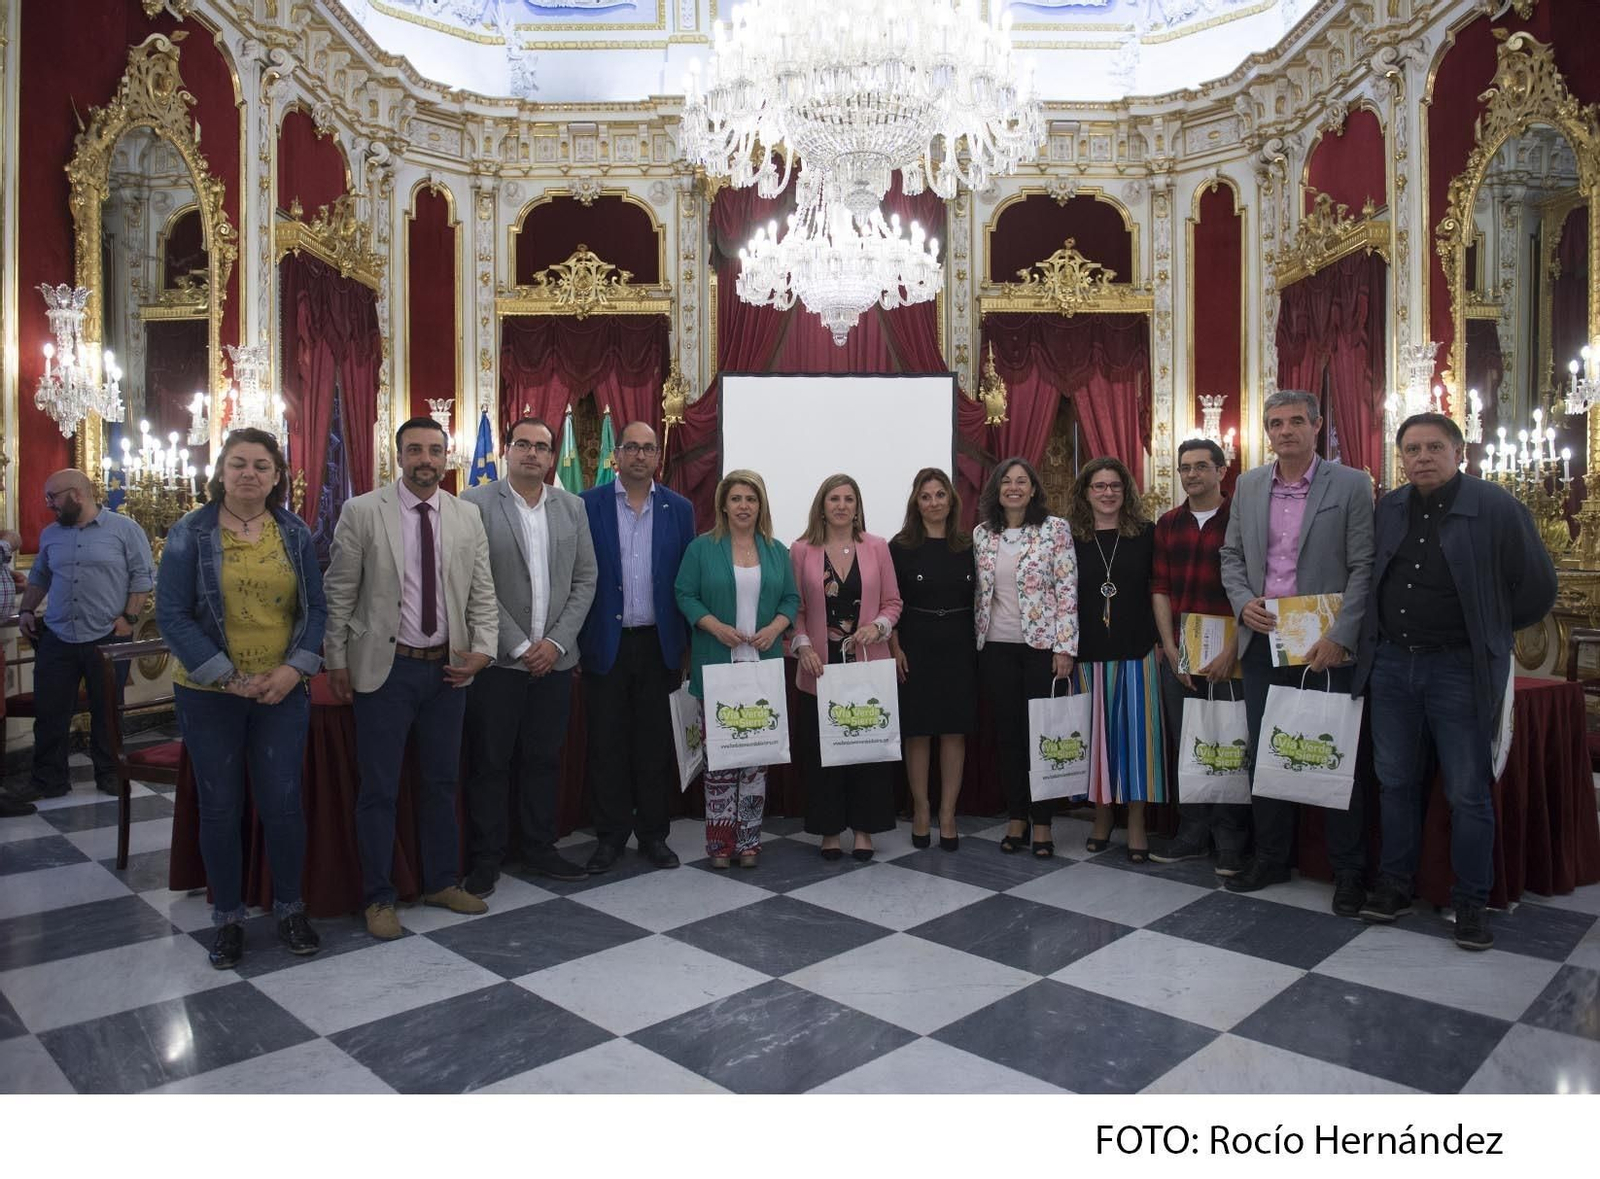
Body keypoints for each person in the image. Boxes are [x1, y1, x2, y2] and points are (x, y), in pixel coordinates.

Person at [1353, 413, 1557, 950]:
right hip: (1392, 665)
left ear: (1458, 452)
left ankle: (1471, 901)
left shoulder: (1495, 507)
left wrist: (1490, 629)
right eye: (1412, 449)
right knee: (1395, 781)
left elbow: (1538, 587)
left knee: (1468, 790)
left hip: (1459, 670)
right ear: (1401, 458)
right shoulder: (1389, 508)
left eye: (1434, 447)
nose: (1422, 457)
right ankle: (1395, 884)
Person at [156, 429, 326, 969]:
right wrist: (226, 677)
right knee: (220, 806)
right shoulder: (190, 532)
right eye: (238, 464)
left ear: (277, 477)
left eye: (261, 465)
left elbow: (316, 611)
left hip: (282, 691)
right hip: (209, 693)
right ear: (221, 472)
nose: (249, 473)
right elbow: (172, 615)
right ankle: (227, 919)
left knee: (283, 803)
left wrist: (293, 669)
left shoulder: (295, 532)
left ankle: (291, 910)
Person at [324, 416, 498, 940]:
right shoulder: (362, 511)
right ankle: (378, 897)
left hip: (448, 670)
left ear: (447, 458)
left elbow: (482, 593)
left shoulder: (466, 515)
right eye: (416, 450)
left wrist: (483, 651)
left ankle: (441, 882)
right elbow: (339, 591)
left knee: (441, 782)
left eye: (435, 450)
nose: (426, 459)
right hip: (386, 670)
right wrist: (336, 658)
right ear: (398, 456)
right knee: (379, 788)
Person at [1219, 389, 1375, 915]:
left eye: (1294, 422)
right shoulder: (1248, 485)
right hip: (1263, 639)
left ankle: (1348, 870)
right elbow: (1231, 556)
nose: (1284, 431)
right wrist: (1242, 603)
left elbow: (1364, 566)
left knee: (1331, 751)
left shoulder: (1350, 484)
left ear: (1316, 425)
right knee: (1269, 753)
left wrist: (1342, 635)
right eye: (1275, 423)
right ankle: (1270, 858)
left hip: (1323, 644)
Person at [461, 416, 597, 892]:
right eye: (523, 444)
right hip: (499, 662)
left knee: (543, 759)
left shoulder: (572, 506)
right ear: (507, 450)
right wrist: (519, 644)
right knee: (491, 763)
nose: (532, 453)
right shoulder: (474, 504)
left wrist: (555, 643)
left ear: (552, 456)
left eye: (542, 446)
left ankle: (539, 847)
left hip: (555, 662)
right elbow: (474, 582)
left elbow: (585, 580)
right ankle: (486, 858)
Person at [578, 421, 696, 874]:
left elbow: (686, 582)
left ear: (657, 457)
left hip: (658, 645)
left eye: (648, 449)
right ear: (617, 455)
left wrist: (686, 645)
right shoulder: (586, 505)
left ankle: (653, 835)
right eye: (632, 447)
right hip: (605, 644)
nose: (640, 456)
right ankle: (609, 837)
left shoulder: (679, 509)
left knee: (654, 745)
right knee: (606, 745)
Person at [674, 470, 799, 868]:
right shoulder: (701, 549)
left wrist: (775, 629)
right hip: (717, 667)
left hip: (761, 669)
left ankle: (748, 842)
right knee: (720, 763)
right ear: (724, 506)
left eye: (751, 499)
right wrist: (714, 626)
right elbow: (684, 594)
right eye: (736, 499)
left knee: (756, 761)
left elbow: (791, 599)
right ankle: (719, 845)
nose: (744, 506)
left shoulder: (777, 550)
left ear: (761, 506)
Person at [14, 469, 153, 804]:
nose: (48, 504)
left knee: (107, 710)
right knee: (50, 712)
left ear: (76, 494)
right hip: (58, 635)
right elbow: (40, 576)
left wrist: (129, 618)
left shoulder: (124, 529)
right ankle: (49, 779)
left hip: (108, 636)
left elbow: (143, 576)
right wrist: (27, 610)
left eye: (53, 497)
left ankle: (109, 773)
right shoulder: (51, 534)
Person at [1149, 438, 1250, 875]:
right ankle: (1191, 834)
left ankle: (1230, 840)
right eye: (1185, 468)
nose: (1192, 475)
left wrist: (1234, 649)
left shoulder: (1242, 520)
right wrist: (1170, 649)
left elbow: (1255, 587)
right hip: (1182, 652)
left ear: (1221, 471)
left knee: (1229, 744)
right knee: (1188, 743)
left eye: (1201, 467)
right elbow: (1159, 588)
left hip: (1233, 652)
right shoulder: (1168, 523)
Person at [791, 475, 903, 861]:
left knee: (866, 751)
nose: (841, 505)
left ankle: (864, 830)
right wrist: (803, 646)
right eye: (834, 499)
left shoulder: (877, 547)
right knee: (824, 752)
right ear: (822, 506)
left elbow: (893, 603)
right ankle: (829, 831)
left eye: (848, 499)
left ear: (857, 507)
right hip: (820, 669)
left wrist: (879, 627)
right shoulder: (801, 549)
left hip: (867, 666)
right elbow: (795, 610)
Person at [972, 457, 1078, 857]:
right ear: (997, 490)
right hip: (995, 648)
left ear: (1033, 489)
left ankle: (1043, 821)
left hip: (1042, 649)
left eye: (1022, 481)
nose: (1013, 487)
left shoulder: (1055, 529)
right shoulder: (982, 534)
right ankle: (1017, 816)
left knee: (1041, 736)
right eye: (1006, 481)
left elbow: (1067, 590)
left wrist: (1065, 647)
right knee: (1008, 736)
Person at [1068, 457, 1166, 861]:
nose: (1107, 493)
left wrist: (1160, 641)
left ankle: (1137, 821)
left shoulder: (1146, 533)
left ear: (1126, 492)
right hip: (1087, 654)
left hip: (1137, 651)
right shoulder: (1071, 537)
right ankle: (1103, 816)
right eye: (1099, 486)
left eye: (1115, 486)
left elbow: (1159, 591)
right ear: (1085, 493)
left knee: (1138, 742)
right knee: (1097, 743)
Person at [888, 468, 975, 851]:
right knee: (918, 731)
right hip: (915, 646)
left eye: (940, 495)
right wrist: (895, 647)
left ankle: (948, 814)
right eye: (926, 496)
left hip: (960, 646)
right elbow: (890, 601)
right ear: (916, 503)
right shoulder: (900, 546)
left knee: (954, 731)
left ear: (951, 501)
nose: (934, 502)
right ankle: (922, 810)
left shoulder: (968, 544)